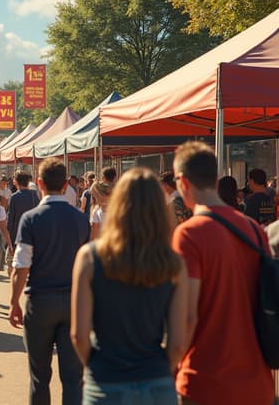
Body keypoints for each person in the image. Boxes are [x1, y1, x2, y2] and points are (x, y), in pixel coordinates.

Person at [71, 168, 188, 404]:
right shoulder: (174, 263)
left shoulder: (90, 257)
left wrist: (95, 366)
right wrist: (160, 368)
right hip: (156, 378)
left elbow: (79, 335)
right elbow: (177, 341)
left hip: (106, 377)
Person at [172, 141, 273, 404]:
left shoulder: (189, 234)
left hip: (206, 381)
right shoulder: (254, 230)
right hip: (257, 382)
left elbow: (187, 316)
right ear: (216, 179)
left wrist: (168, 364)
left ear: (182, 182)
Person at [9, 157, 90, 405]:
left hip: (40, 302)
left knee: (39, 376)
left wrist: (14, 301)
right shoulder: (80, 218)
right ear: (66, 185)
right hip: (74, 303)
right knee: (73, 377)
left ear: (39, 183)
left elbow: (21, 266)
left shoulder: (31, 218)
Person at [6, 171, 40, 275]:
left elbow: (10, 220)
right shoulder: (34, 195)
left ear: (15, 181)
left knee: (14, 264)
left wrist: (9, 241)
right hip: (32, 235)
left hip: (17, 236)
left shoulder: (15, 197)